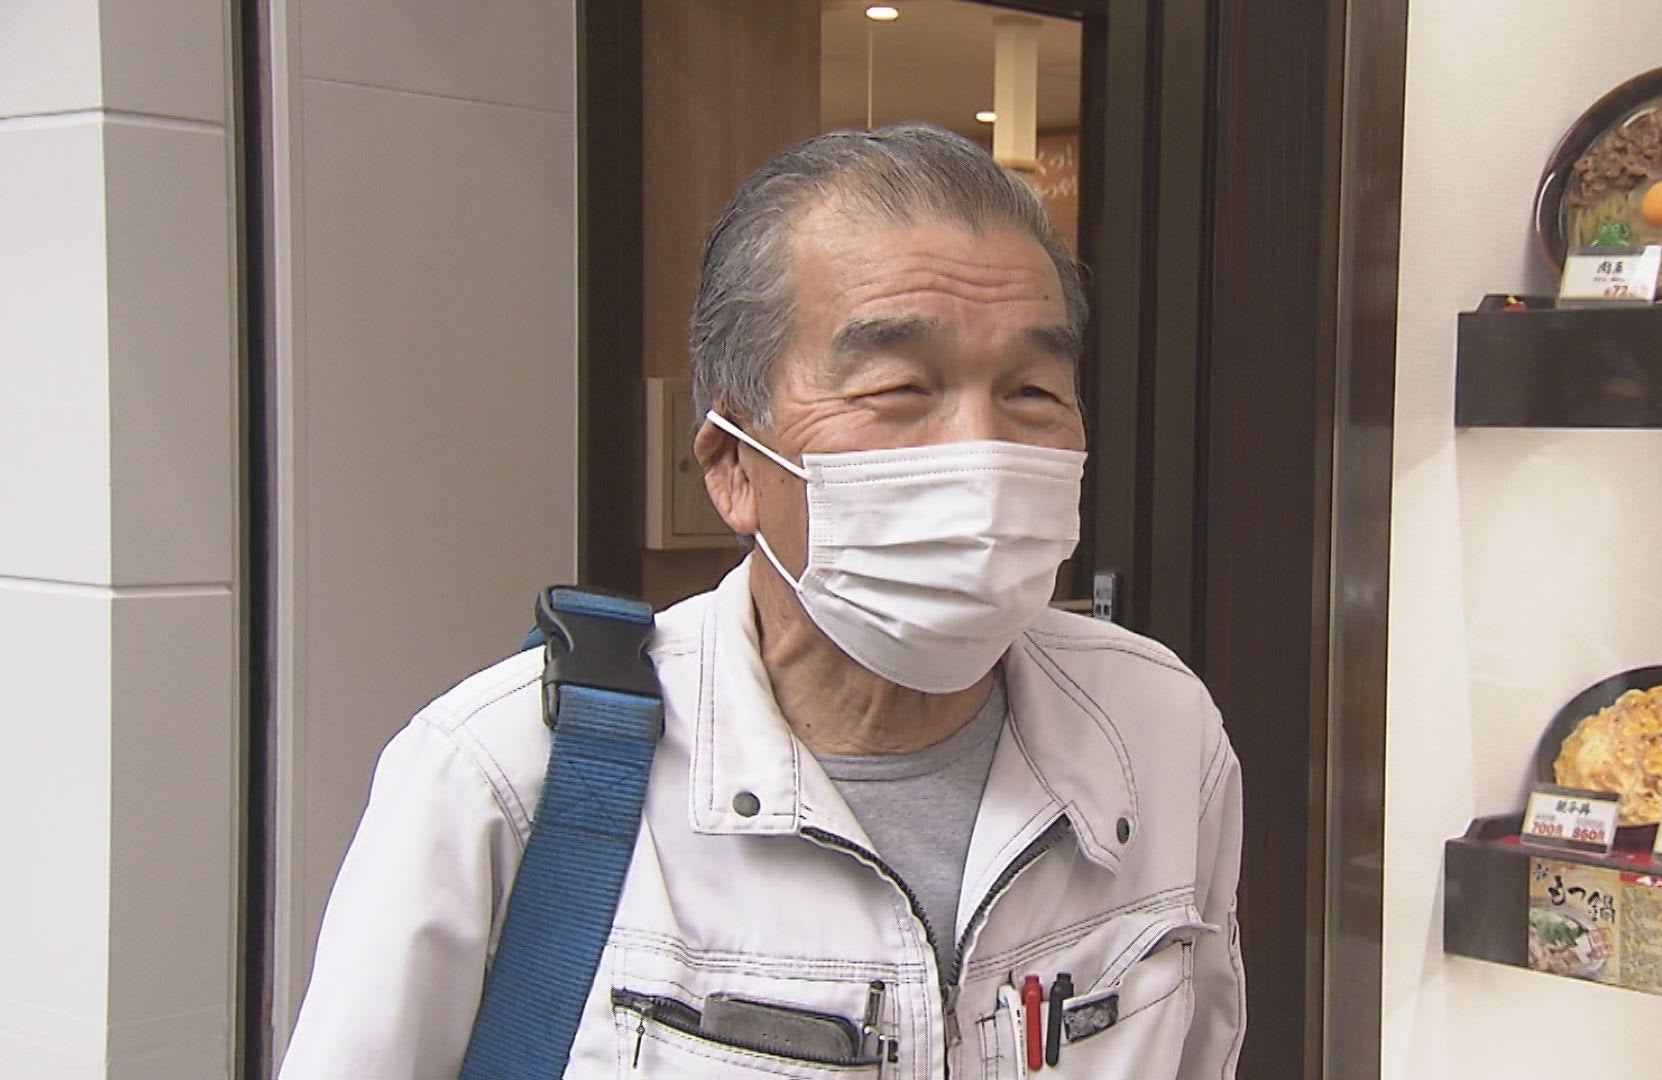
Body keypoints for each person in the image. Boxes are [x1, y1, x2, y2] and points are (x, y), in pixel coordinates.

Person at [280, 122, 1243, 1079]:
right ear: (734, 466)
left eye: (1033, 392)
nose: (980, 453)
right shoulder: (511, 779)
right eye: (901, 386)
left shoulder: (1156, 734)